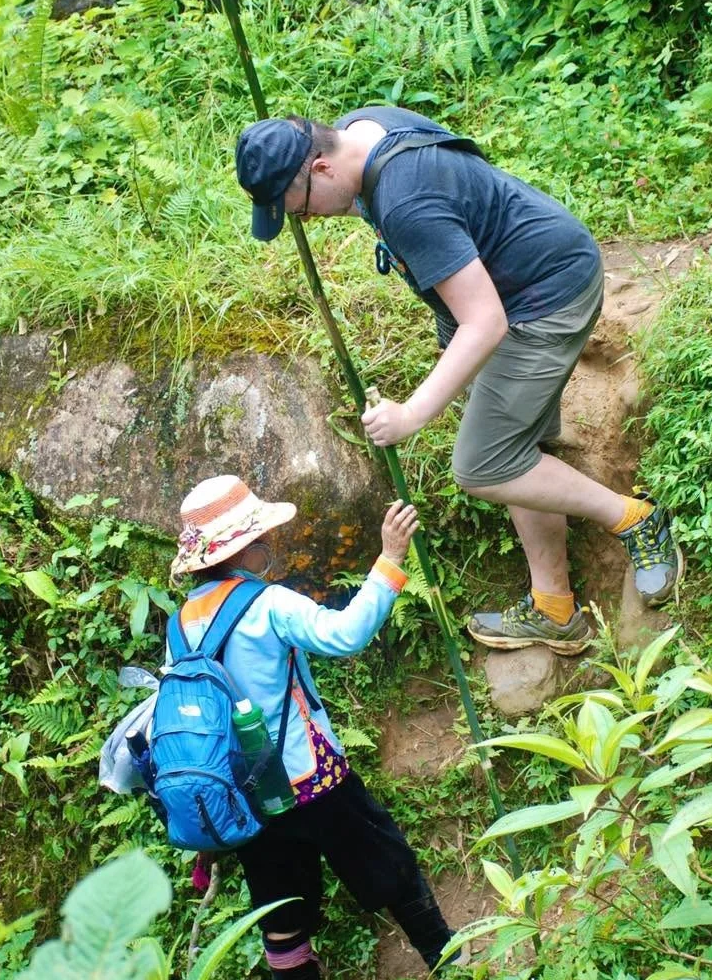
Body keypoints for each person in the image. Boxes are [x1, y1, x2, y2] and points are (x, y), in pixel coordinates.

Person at [234, 107, 684, 654]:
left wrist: (412, 414)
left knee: (485, 464)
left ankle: (636, 520)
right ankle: (555, 609)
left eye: (296, 209)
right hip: (520, 278)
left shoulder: (404, 202)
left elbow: (486, 322)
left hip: (541, 300)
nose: (303, 222)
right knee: (515, 449)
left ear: (322, 168)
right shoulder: (365, 127)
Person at [168, 472, 457, 980]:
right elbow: (345, 634)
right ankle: (454, 969)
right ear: (244, 547)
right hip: (311, 778)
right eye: (262, 536)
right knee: (391, 867)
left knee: (281, 921)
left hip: (248, 801)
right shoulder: (267, 603)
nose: (270, 543)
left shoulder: (180, 627)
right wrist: (390, 560)